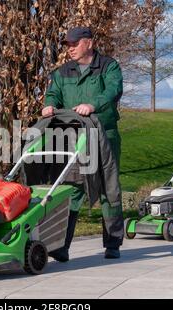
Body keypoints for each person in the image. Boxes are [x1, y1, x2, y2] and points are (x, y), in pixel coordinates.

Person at [42, 26, 124, 260]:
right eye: (67, 45)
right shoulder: (63, 72)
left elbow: (113, 90)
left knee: (109, 188)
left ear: (88, 42)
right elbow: (53, 93)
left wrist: (93, 105)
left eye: (74, 44)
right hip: (74, 138)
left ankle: (113, 243)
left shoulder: (109, 66)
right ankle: (61, 247)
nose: (70, 49)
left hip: (104, 134)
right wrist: (49, 104)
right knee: (73, 189)